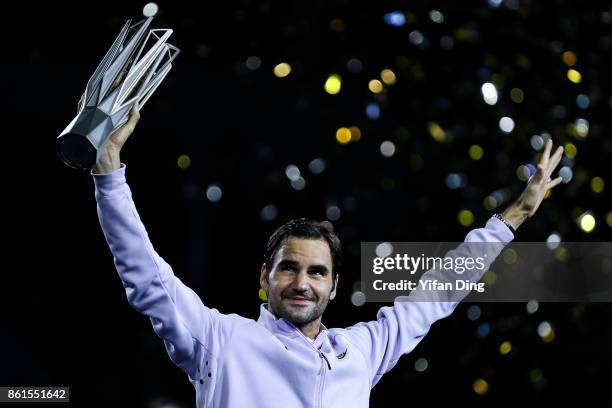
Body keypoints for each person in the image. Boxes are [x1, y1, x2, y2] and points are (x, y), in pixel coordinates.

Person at [91, 104, 563, 407]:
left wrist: (513, 218)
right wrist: (110, 176)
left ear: (334, 286)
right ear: (265, 277)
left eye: (317, 272)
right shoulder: (220, 340)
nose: (302, 282)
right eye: (289, 268)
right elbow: (147, 279)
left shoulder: (360, 351)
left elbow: (439, 291)